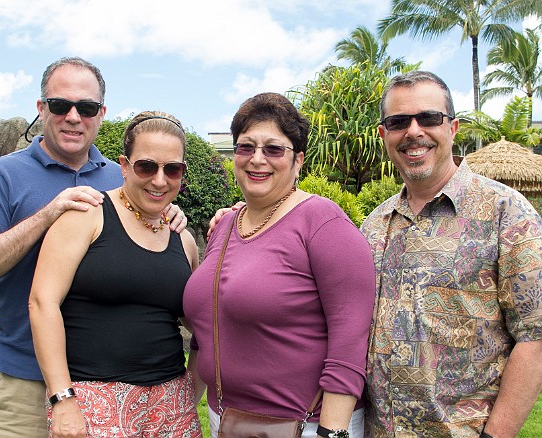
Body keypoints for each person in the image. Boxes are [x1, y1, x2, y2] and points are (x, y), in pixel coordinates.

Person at [0, 57, 186, 437]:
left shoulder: (124, 176)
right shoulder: (2, 175)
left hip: (100, 387)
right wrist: (46, 215)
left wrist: (166, 212)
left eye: (87, 107)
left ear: (101, 113)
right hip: (24, 377)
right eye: (61, 105)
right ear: (41, 108)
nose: (74, 117)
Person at [183, 92, 376, 438]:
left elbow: (350, 338)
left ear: (298, 159)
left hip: (305, 426)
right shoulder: (225, 225)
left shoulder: (323, 223)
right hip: (226, 418)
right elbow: (209, 324)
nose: (258, 159)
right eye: (246, 147)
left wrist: (332, 432)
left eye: (273, 149)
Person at [361, 71, 542, 437]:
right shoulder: (375, 224)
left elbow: (534, 336)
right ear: (384, 135)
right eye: (398, 122)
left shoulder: (507, 212)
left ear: (453, 128)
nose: (413, 132)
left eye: (428, 118)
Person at [28, 111, 201, 437]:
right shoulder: (86, 217)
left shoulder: (184, 239)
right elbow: (42, 302)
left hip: (170, 402)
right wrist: (62, 399)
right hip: (93, 399)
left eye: (172, 169)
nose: (160, 180)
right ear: (124, 165)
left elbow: (202, 324)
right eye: (146, 166)